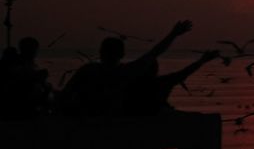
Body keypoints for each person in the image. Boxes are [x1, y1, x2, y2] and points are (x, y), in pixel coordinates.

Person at [59, 19, 208, 116]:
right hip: (112, 126)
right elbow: (154, 53)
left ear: (100, 52)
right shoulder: (124, 72)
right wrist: (173, 34)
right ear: (122, 54)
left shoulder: (87, 70)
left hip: (87, 124)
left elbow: (66, 93)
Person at [0, 36, 51, 119]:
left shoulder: (25, 64)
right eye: (34, 50)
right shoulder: (17, 64)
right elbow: (21, 77)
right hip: (17, 102)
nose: (35, 53)